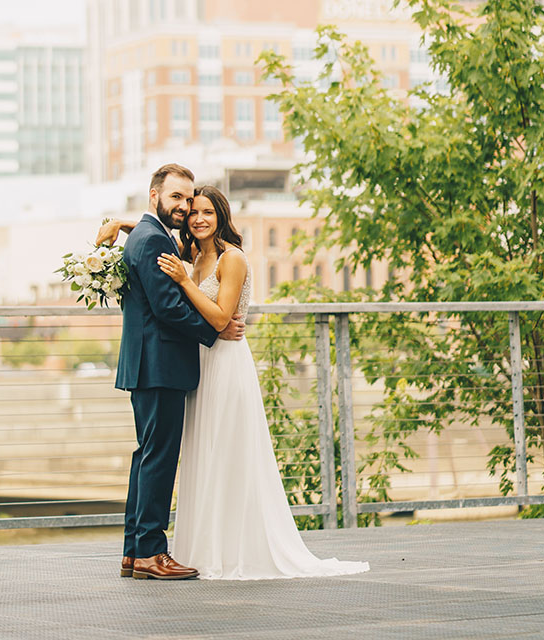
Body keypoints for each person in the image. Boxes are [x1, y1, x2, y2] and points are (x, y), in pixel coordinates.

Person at [156, 185, 370, 580]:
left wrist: (185, 283)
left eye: (207, 211)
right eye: (193, 214)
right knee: (205, 453)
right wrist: (120, 223)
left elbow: (221, 318)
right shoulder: (194, 253)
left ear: (221, 215)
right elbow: (152, 229)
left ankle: (237, 550)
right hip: (200, 364)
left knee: (230, 454)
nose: (199, 219)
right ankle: (205, 549)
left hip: (226, 364)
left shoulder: (231, 258)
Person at [113, 164, 246, 581]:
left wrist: (118, 222)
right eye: (177, 198)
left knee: (147, 456)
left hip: (150, 364)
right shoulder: (153, 239)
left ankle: (135, 552)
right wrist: (216, 327)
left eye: (188, 199)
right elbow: (169, 308)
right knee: (159, 458)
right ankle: (151, 553)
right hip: (161, 364)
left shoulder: (147, 234)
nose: (185, 206)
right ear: (155, 196)